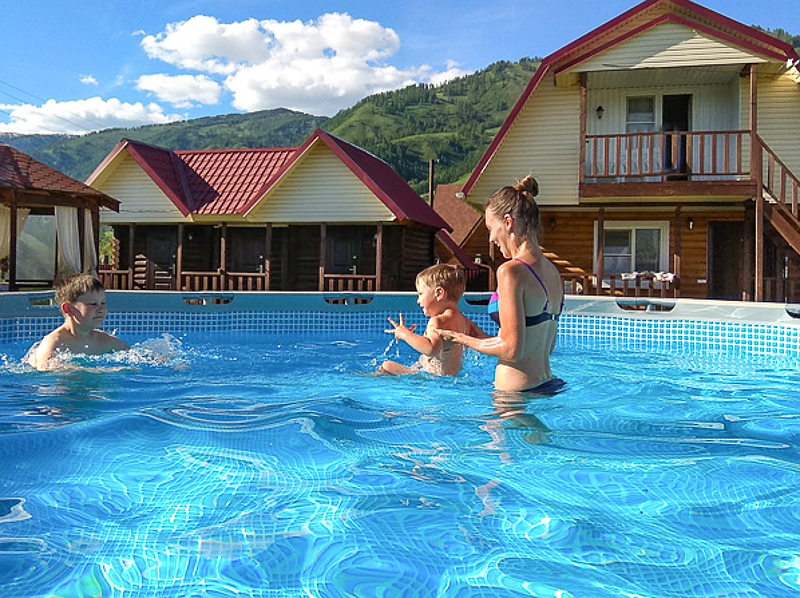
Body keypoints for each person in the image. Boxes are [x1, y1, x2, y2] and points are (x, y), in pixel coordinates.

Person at [436, 175, 564, 393]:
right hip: (547, 384)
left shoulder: (510, 271)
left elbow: (511, 350)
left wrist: (460, 338)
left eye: (490, 228)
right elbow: (547, 346)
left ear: (508, 222)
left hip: (515, 391)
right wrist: (479, 336)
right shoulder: (553, 272)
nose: (490, 238)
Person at [380, 264, 485, 376]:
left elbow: (431, 349)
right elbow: (486, 341)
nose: (418, 301)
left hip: (431, 378)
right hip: (452, 377)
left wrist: (405, 334)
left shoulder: (437, 321)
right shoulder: (466, 322)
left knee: (386, 367)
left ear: (439, 294)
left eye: (421, 294)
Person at [28, 274, 130, 371]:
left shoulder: (103, 341)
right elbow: (44, 368)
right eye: (93, 304)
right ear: (68, 308)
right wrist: (98, 371)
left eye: (103, 303)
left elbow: (133, 356)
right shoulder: (54, 342)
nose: (101, 309)